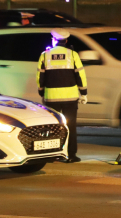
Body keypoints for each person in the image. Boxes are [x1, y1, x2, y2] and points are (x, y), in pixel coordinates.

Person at [37, 29, 87, 163]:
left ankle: (52, 154)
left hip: (51, 98)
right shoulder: (73, 55)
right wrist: (83, 93)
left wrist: (42, 91)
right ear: (66, 41)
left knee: (53, 127)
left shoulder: (45, 55)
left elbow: (40, 77)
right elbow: (80, 75)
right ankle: (71, 155)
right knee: (70, 126)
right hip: (70, 98)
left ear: (54, 40)